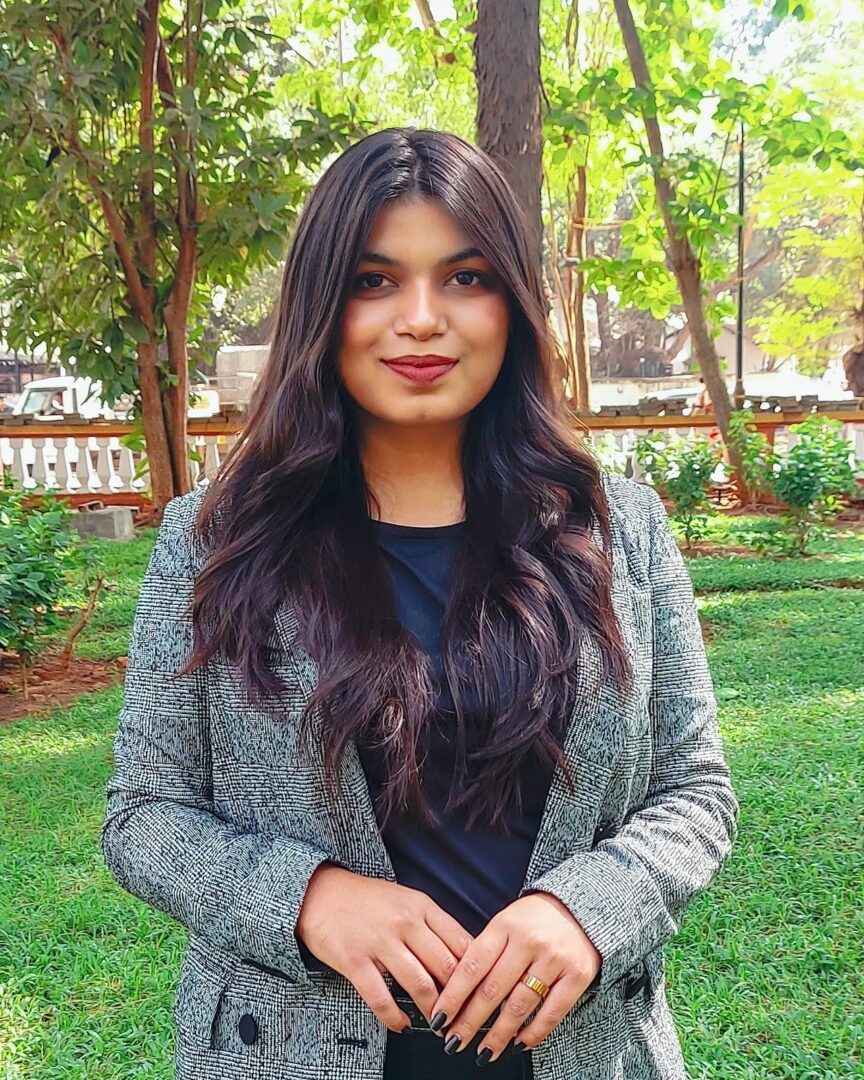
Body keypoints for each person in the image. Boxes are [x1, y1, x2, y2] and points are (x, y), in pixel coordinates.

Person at [102, 128, 739, 1080]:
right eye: (374, 281)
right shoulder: (217, 542)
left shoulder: (620, 531)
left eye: (466, 278)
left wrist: (590, 909)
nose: (421, 320)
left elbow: (695, 791)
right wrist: (309, 900)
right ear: (323, 305)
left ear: (513, 305)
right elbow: (146, 813)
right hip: (288, 1054)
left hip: (588, 1052)